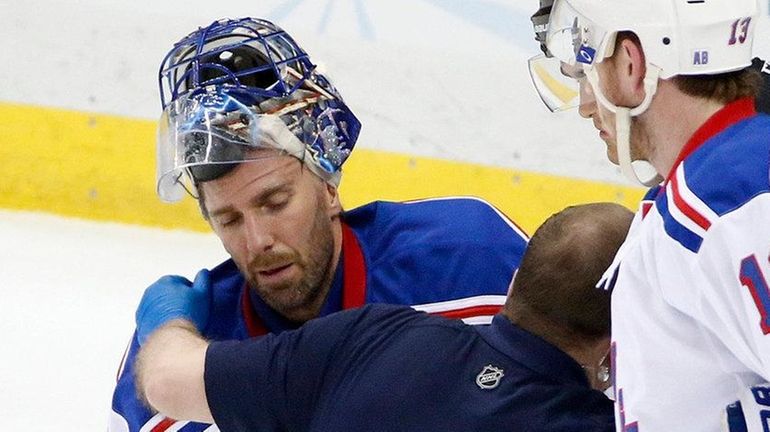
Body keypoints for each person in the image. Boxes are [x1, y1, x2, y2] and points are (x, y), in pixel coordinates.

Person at [109, 18, 529, 431]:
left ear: (328, 187)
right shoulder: (173, 360)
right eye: (229, 219)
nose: (257, 242)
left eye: (275, 203)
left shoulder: (474, 260)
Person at [132, 202, 632, 432]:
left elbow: (166, 380)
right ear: (616, 340)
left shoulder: (368, 337)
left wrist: (170, 315)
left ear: (516, 277)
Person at [529, 1, 770, 430]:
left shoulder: (726, 208)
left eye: (587, 73)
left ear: (630, 65)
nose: (586, 105)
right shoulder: (715, 186)